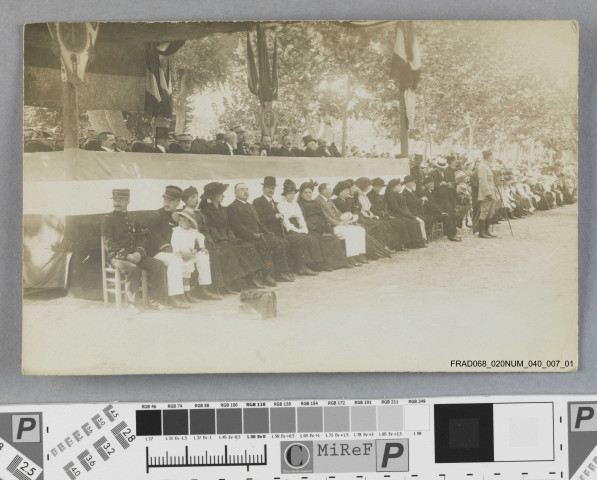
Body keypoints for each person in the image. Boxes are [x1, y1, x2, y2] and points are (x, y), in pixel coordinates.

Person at [101, 189, 167, 311]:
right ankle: (132, 304)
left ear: (128, 201)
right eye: (115, 200)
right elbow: (108, 243)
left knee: (158, 265)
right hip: (117, 257)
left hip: (135, 255)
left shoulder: (134, 218)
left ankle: (155, 300)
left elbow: (141, 238)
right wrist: (126, 256)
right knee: (133, 269)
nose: (117, 203)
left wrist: (139, 252)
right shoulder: (108, 219)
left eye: (120, 200)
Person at [199, 182, 265, 290]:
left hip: (228, 238)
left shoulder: (223, 209)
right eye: (220, 194)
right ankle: (233, 284)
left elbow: (228, 226)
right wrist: (223, 240)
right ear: (213, 196)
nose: (223, 195)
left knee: (247, 246)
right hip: (217, 241)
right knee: (231, 252)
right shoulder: (206, 211)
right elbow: (210, 230)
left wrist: (231, 238)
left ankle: (252, 278)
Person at [227, 183, 293, 286]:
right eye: (242, 190)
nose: (245, 192)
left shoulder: (250, 206)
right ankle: (267, 275)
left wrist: (267, 232)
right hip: (245, 238)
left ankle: (281, 272)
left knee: (278, 242)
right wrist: (253, 234)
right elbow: (238, 227)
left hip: (258, 235)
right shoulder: (232, 207)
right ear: (235, 193)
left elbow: (259, 223)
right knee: (263, 247)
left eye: (247, 189)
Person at [146, 185, 190, 308]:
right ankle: (174, 297)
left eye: (170, 201)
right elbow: (156, 238)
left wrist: (186, 250)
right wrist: (178, 252)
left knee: (194, 257)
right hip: (157, 252)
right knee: (176, 260)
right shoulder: (156, 215)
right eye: (165, 200)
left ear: (177, 202)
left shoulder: (179, 217)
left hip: (175, 251)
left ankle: (188, 293)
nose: (166, 203)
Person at [251, 176, 298, 281]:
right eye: (268, 187)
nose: (271, 190)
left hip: (278, 232)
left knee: (287, 241)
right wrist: (274, 216)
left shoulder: (275, 203)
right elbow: (259, 219)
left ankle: (288, 269)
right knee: (280, 243)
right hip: (266, 232)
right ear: (263, 189)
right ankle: (281, 273)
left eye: (273, 187)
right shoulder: (257, 201)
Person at [276, 179, 326, 274]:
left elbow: (301, 218)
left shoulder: (295, 204)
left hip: (298, 229)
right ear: (285, 194)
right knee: (301, 239)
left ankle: (314, 264)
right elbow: (286, 223)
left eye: (293, 193)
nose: (292, 196)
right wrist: (299, 231)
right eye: (289, 193)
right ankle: (301, 267)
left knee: (312, 238)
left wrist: (304, 229)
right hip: (288, 231)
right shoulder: (281, 205)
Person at [171, 208, 221, 301]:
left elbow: (201, 237)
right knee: (185, 265)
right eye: (180, 220)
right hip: (181, 255)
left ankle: (204, 288)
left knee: (204, 255)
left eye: (184, 221)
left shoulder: (193, 231)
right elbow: (174, 243)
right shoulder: (177, 231)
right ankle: (187, 293)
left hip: (191, 254)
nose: (181, 223)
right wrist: (179, 252)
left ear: (190, 223)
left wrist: (202, 247)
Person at [333, 180, 391, 259]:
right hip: (349, 222)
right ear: (339, 192)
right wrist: (354, 210)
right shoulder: (337, 201)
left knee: (372, 227)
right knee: (366, 230)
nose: (347, 193)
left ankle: (377, 251)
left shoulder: (348, 199)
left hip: (355, 219)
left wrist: (355, 205)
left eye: (347, 191)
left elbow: (355, 209)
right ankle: (374, 252)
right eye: (345, 191)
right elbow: (347, 213)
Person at [317, 182, 367, 266]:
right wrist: (339, 223)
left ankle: (359, 254)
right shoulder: (318, 201)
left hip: (340, 223)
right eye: (329, 189)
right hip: (332, 226)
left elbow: (338, 212)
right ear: (323, 190)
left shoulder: (328, 200)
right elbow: (326, 217)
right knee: (349, 232)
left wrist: (346, 218)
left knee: (360, 230)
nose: (331, 191)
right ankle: (350, 257)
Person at [381, 178, 426, 248]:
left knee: (415, 221)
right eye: (398, 185)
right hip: (396, 214)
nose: (400, 186)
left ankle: (418, 243)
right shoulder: (391, 196)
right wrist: (407, 215)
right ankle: (411, 244)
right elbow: (396, 208)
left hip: (402, 213)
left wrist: (408, 214)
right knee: (412, 222)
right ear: (393, 187)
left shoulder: (398, 194)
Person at [419, 176, 461, 242]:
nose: (433, 185)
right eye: (431, 184)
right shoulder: (424, 193)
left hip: (435, 213)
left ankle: (454, 233)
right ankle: (451, 236)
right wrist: (441, 212)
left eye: (433, 183)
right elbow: (430, 206)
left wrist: (441, 211)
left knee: (451, 214)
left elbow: (435, 205)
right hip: (430, 214)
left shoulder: (431, 192)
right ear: (426, 185)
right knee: (447, 216)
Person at [400, 175, 428, 242]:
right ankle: (422, 239)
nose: (414, 184)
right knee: (424, 219)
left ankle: (424, 237)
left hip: (416, 212)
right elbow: (411, 203)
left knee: (426, 218)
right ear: (408, 184)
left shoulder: (412, 192)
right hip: (411, 213)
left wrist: (422, 201)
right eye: (413, 182)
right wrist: (421, 200)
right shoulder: (405, 193)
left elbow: (415, 201)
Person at [477, 150, 498, 238]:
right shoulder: (482, 167)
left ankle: (487, 231)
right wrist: (487, 193)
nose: (492, 158)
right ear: (488, 156)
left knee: (490, 212)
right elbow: (483, 182)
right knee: (484, 212)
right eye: (492, 156)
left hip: (491, 193)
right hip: (486, 194)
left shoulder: (487, 166)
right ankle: (481, 233)